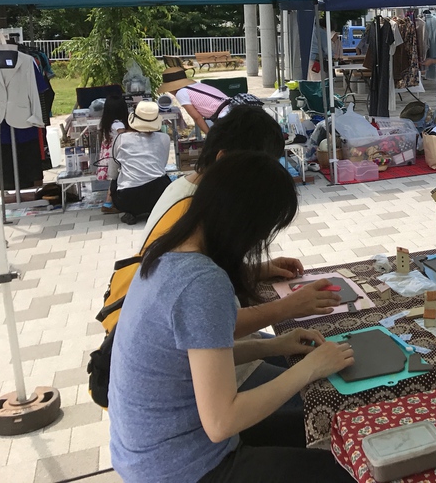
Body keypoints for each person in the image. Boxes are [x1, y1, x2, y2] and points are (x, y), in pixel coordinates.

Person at [109, 152, 356, 483]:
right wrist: (310, 368)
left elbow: (193, 358)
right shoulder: (201, 281)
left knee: (322, 429)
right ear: (245, 224)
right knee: (351, 464)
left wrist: (275, 345)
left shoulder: (166, 252)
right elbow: (221, 422)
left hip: (145, 455)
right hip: (187, 468)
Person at [143, 106, 342, 337]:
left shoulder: (190, 191)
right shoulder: (195, 217)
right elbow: (214, 325)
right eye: (257, 171)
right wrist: (288, 307)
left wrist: (255, 270)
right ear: (225, 160)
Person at [108, 101, 171, 225]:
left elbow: (113, 171)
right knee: (163, 179)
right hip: (158, 192)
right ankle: (154, 211)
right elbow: (162, 163)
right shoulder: (165, 138)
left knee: (115, 180)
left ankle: (131, 212)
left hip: (128, 196)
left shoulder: (120, 139)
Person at [161, 66, 230, 134]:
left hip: (224, 115)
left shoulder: (181, 93)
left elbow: (197, 118)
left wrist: (210, 136)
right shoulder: (196, 85)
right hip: (232, 108)